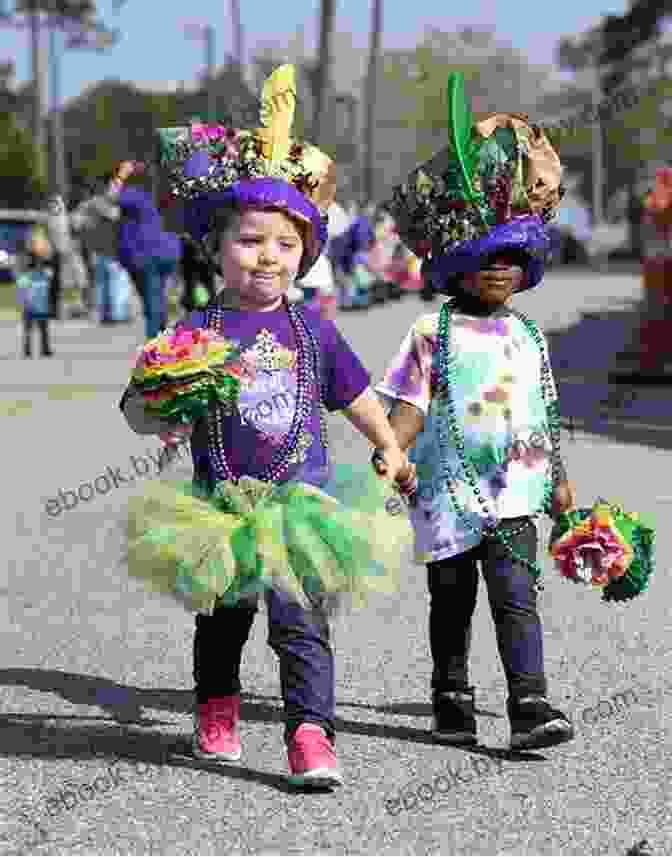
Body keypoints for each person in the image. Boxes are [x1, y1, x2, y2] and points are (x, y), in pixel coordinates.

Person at [118, 64, 415, 788]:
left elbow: (355, 394)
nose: (267, 256)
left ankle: (311, 731)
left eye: (285, 245)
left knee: (301, 621)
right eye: (251, 240)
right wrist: (157, 403)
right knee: (222, 616)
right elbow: (138, 407)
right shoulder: (198, 329)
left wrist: (386, 441)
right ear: (219, 245)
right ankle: (216, 707)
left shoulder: (313, 330)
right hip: (220, 505)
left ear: (304, 254)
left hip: (300, 504)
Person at [377, 73, 577, 751]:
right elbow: (408, 402)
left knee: (517, 594)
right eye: (484, 258)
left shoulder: (529, 336)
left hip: (516, 493)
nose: (499, 271)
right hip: (446, 493)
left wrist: (561, 482)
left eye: (512, 259)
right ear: (455, 263)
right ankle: (452, 693)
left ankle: (529, 703)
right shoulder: (434, 333)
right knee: (453, 597)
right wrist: (394, 450)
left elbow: (545, 411)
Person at [115, 175, 182, 339]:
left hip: (149, 254)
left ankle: (153, 340)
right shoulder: (161, 196)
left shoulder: (137, 196)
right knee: (156, 296)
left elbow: (116, 197)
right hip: (168, 250)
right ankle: (162, 334)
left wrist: (120, 176)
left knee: (152, 297)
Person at [16, 225, 59, 358]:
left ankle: (43, 348)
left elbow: (50, 276)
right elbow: (22, 278)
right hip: (33, 296)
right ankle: (29, 348)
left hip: (39, 297)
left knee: (41, 324)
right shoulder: (28, 258)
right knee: (31, 324)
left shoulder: (45, 259)